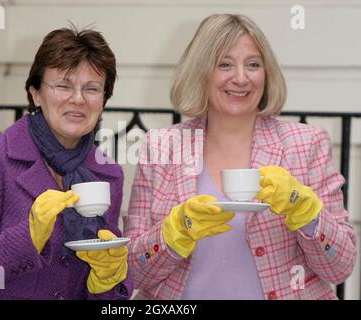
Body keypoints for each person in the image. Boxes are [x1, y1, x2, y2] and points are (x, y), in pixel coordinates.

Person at [124, 14, 357, 300]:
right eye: (224, 64)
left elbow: (340, 267)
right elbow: (133, 272)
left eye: (253, 64)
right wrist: (173, 233)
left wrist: (306, 211)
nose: (241, 77)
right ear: (200, 72)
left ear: (266, 73)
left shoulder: (305, 144)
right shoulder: (161, 147)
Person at [0, 26, 133, 300]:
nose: (78, 99)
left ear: (103, 100)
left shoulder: (107, 173)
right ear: (35, 93)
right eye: (63, 85)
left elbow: (108, 292)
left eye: (91, 88)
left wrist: (106, 282)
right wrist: (28, 237)